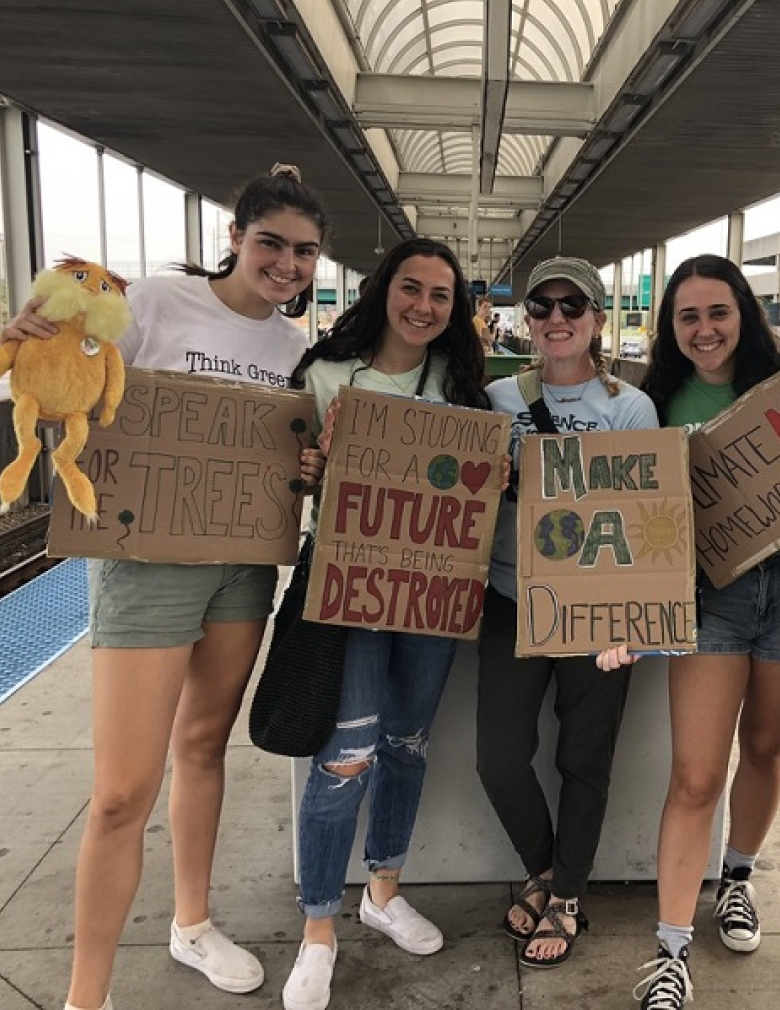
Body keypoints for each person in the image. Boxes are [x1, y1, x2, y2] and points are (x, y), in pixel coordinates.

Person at [3, 164, 326, 1010]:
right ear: (235, 236)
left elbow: (287, 461)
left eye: (304, 252)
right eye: (271, 244)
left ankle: (191, 921)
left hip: (241, 568)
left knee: (202, 746)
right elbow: (75, 397)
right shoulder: (154, 301)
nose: (287, 264)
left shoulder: (294, 351)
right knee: (119, 791)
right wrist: (34, 347)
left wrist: (308, 466)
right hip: (145, 564)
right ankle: (87, 995)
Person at [596, 255, 780, 1009]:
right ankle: (669, 948)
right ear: (669, 327)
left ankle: (738, 878)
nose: (703, 329)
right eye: (686, 316)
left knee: (764, 747)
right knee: (696, 775)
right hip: (707, 597)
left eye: (717, 312)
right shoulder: (651, 400)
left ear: (744, 314)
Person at [282, 237, 491, 1010]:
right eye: (412, 288)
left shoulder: (465, 386)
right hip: (352, 593)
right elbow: (294, 485)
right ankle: (317, 930)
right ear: (383, 289)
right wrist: (309, 472)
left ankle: (383, 888)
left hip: (433, 598)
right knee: (347, 756)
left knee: (406, 743)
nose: (425, 306)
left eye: (442, 296)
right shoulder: (325, 375)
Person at [476, 257, 658, 970]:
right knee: (498, 756)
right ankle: (545, 867)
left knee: (583, 756)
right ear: (527, 318)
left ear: (597, 316)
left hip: (595, 609)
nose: (557, 318)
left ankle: (568, 893)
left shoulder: (629, 409)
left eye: (572, 305)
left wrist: (635, 618)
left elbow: (646, 519)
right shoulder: (495, 398)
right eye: (542, 306)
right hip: (510, 598)